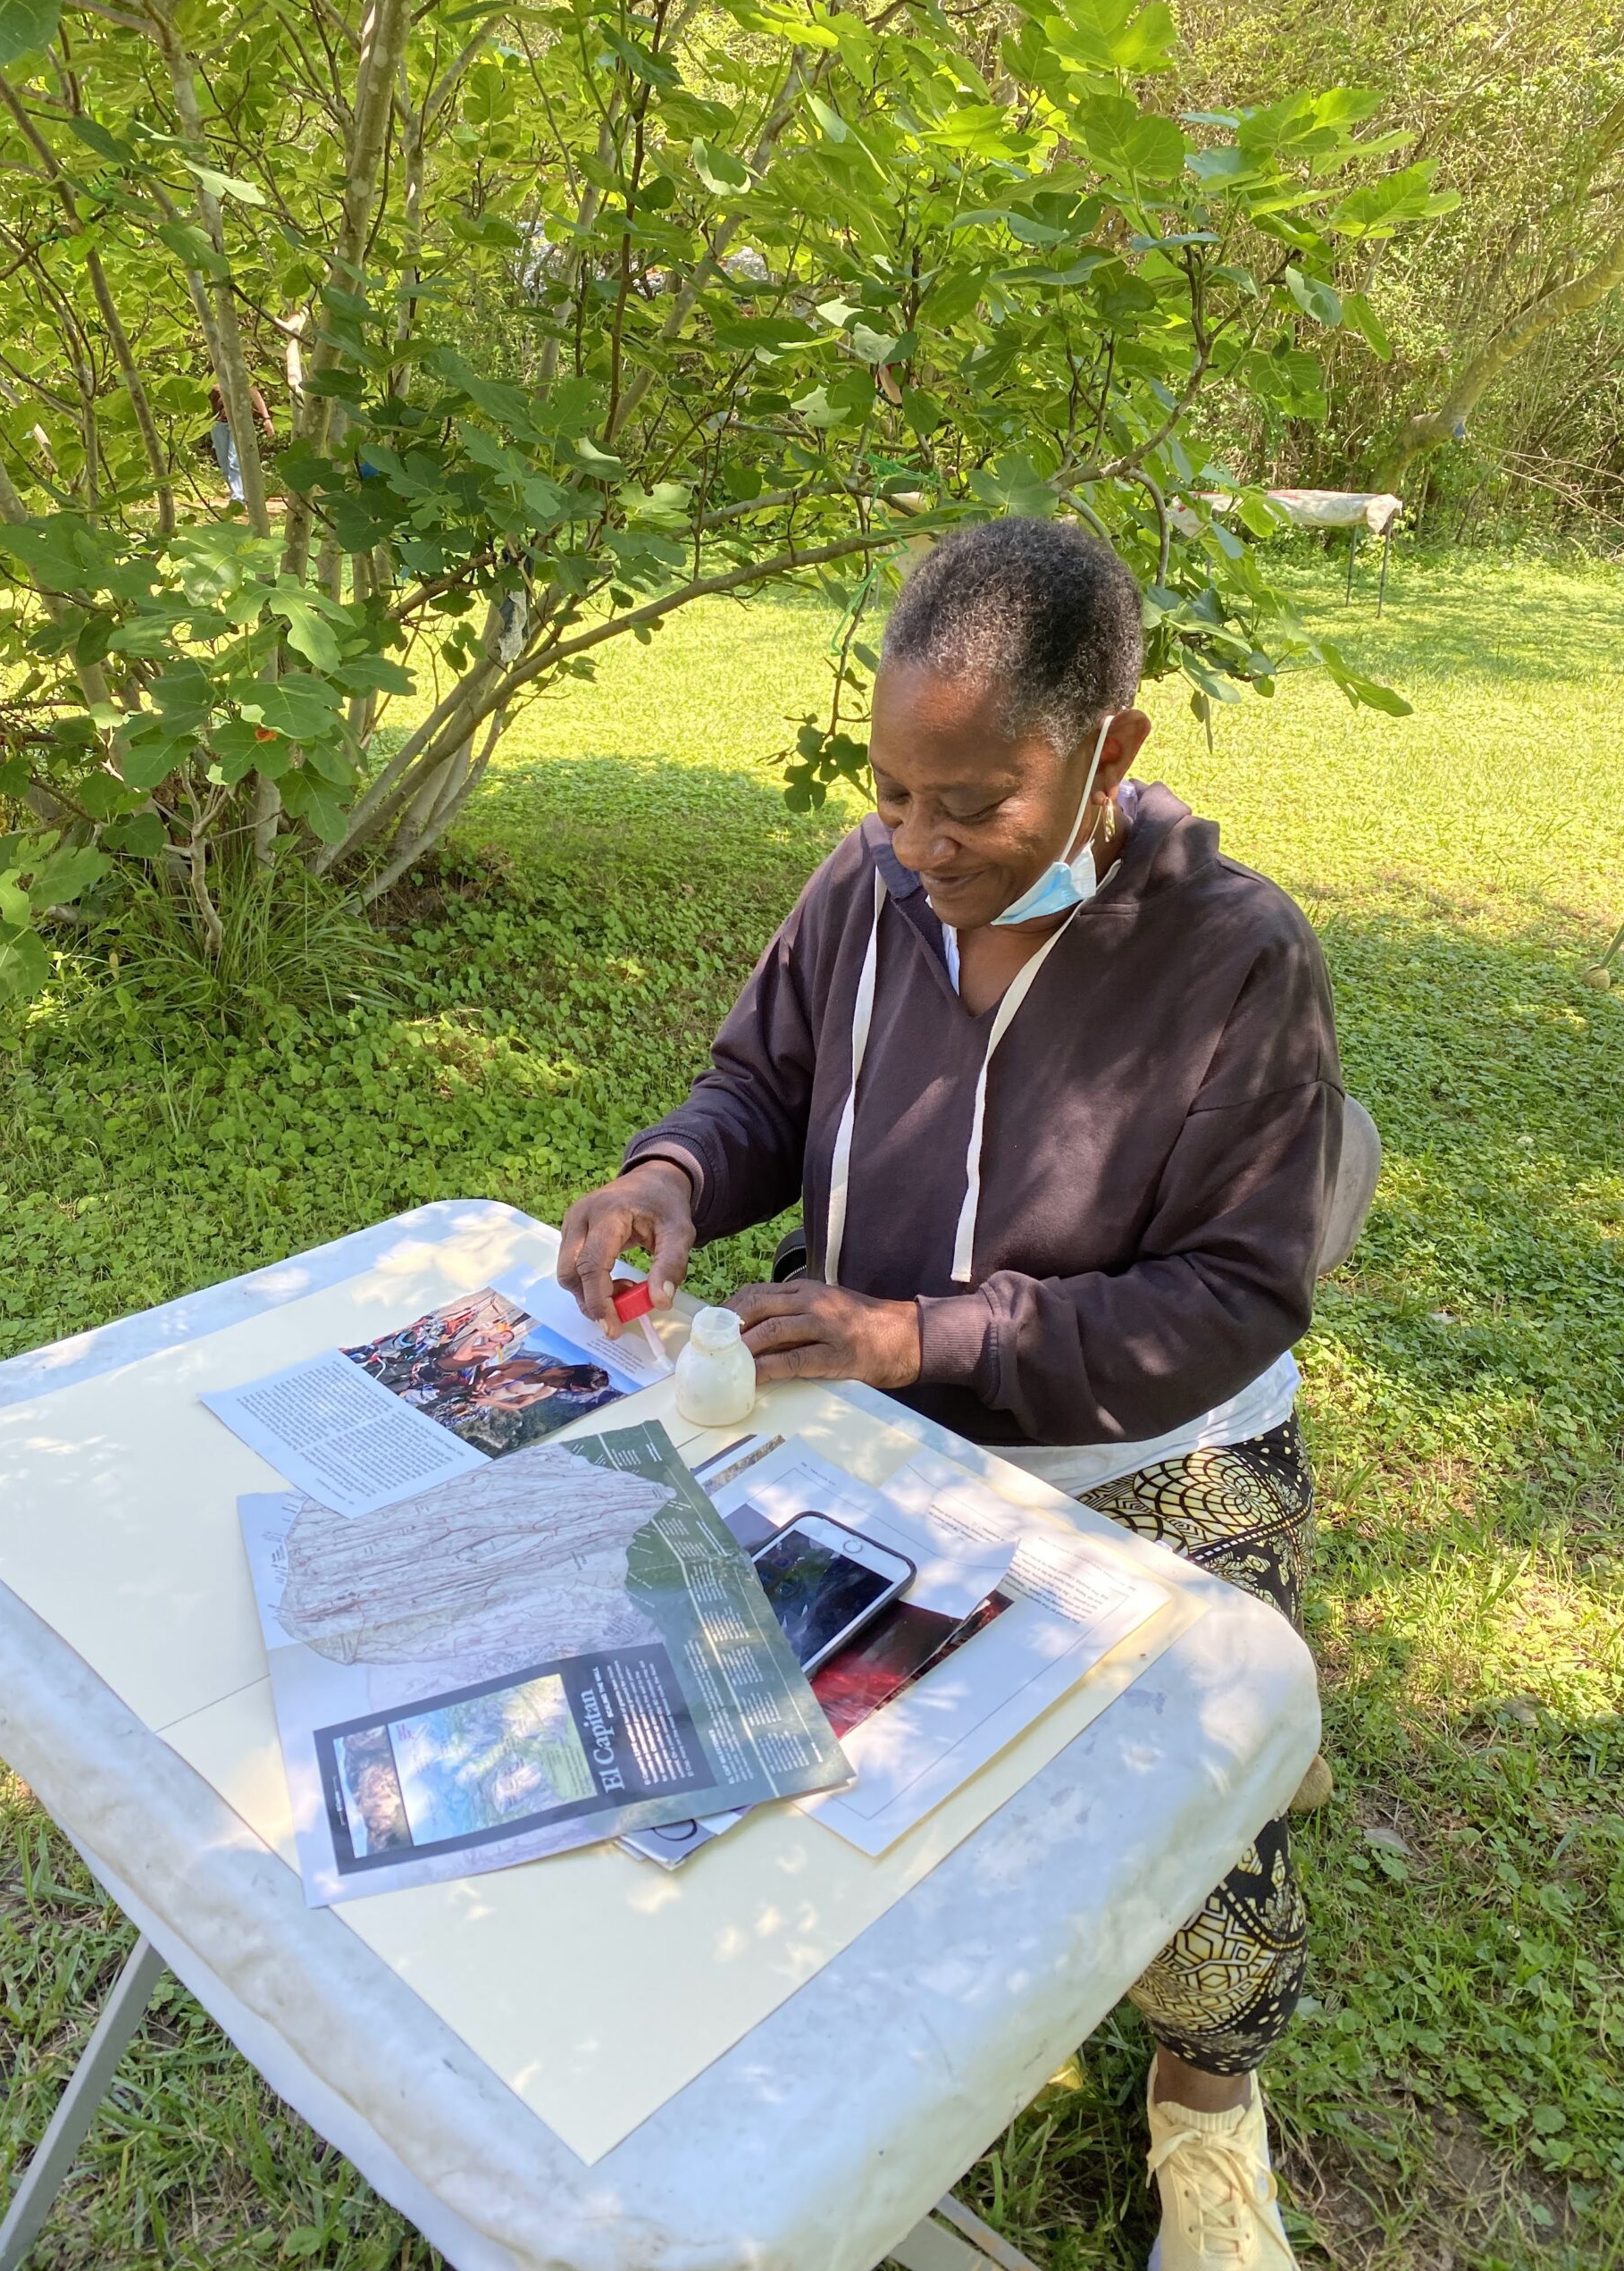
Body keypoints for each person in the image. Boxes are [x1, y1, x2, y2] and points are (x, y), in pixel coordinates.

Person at [557, 517, 1344, 2271]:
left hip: (1141, 1455)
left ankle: (1208, 2107)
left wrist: (921, 1337)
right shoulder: (868, 886)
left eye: (974, 804)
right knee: (759, 1723)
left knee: (1193, 1789)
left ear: (1110, 751)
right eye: (893, 793)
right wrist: (675, 1173)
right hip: (878, 1416)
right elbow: (763, 1086)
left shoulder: (1234, 957)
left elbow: (1232, 1295)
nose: (919, 847)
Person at [207, 381, 272, 508]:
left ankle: (238, 499)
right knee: (224, 463)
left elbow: (255, 394)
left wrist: (267, 418)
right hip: (217, 424)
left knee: (234, 461)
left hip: (239, 423)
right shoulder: (211, 374)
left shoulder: (240, 372)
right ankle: (241, 493)